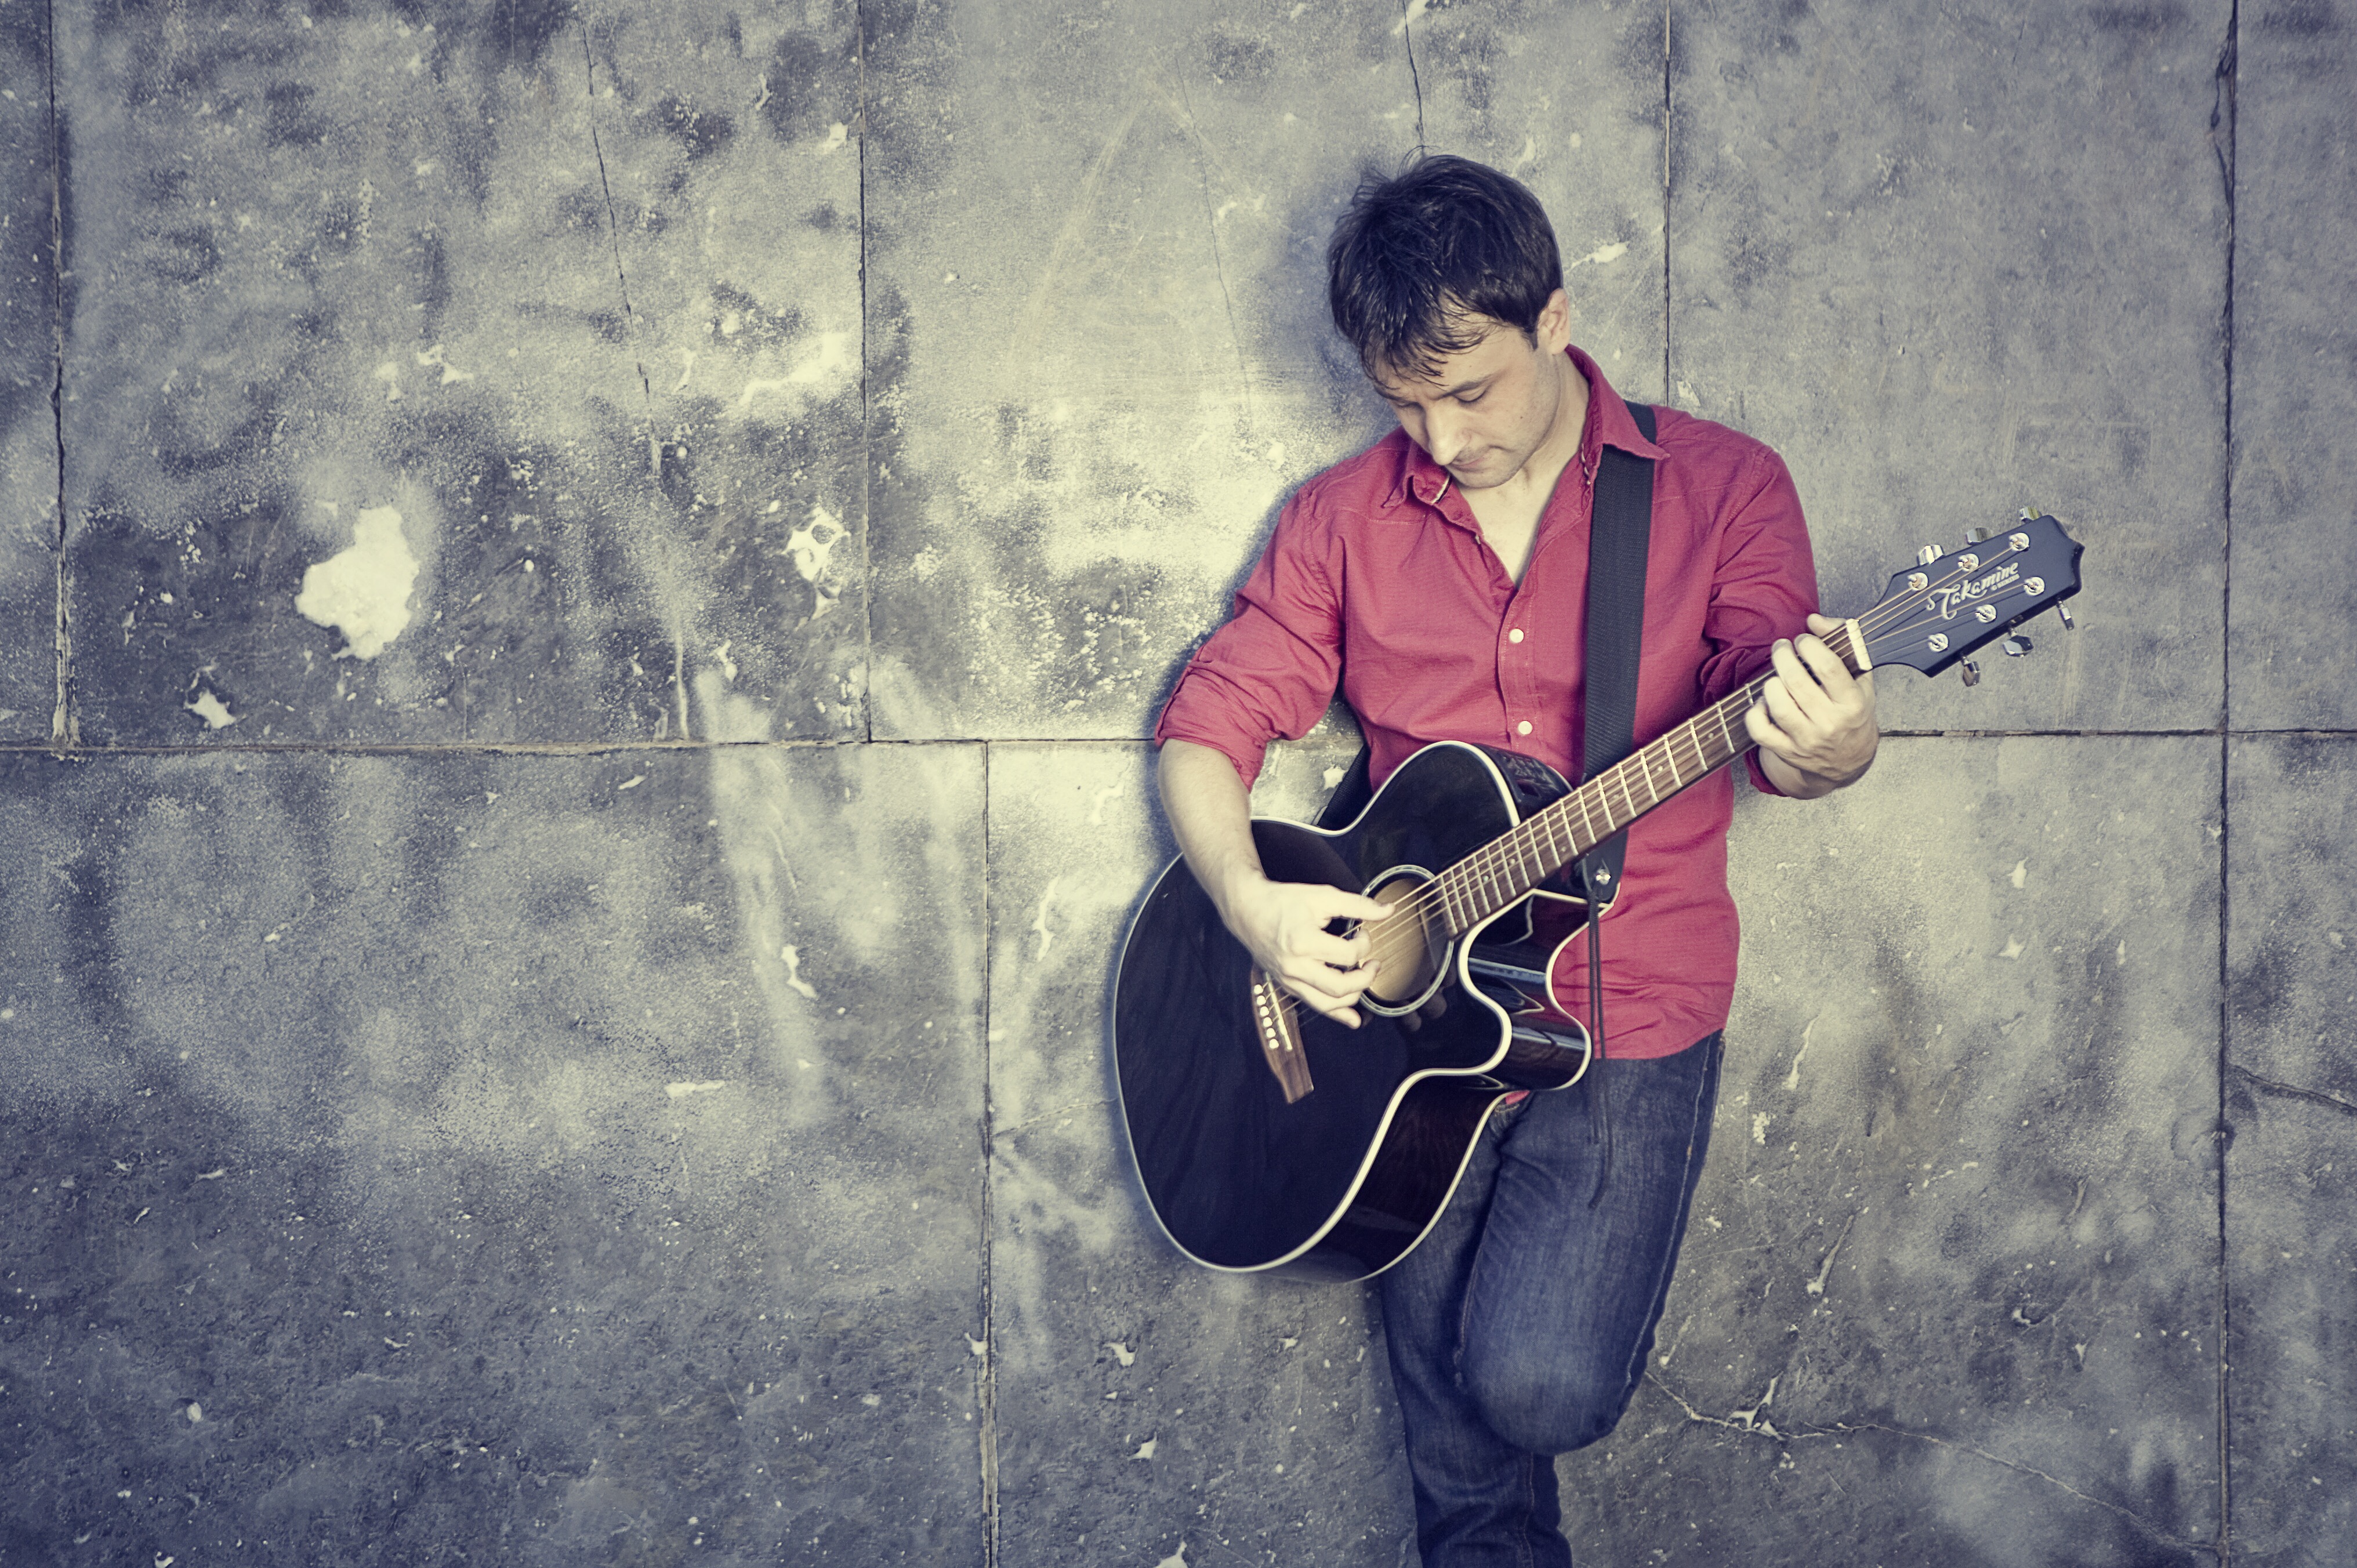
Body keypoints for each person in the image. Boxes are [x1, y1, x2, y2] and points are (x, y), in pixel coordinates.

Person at [1148, 155, 1880, 1566]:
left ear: (1553, 319)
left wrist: (1830, 742)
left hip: (1629, 1005)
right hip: (1408, 1029)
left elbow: (1772, 724)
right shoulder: (1341, 518)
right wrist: (1249, 904)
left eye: (1470, 390)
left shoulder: (1721, 487)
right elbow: (1205, 725)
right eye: (1402, 401)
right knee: (1462, 1477)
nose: (1439, 437)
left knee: (1536, 1388)